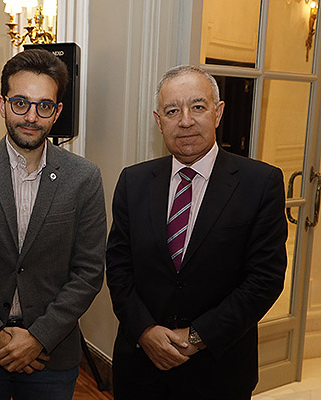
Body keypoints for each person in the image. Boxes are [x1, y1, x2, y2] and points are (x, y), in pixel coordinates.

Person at [0, 48, 107, 400]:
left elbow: (87, 272)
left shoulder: (84, 178)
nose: (31, 116)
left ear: (56, 113)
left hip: (50, 354)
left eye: (44, 106)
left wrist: (38, 337)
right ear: (2, 105)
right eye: (20, 103)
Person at [106, 64, 288, 400]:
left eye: (198, 107)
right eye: (172, 110)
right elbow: (118, 268)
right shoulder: (133, 182)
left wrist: (197, 337)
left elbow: (265, 278)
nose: (185, 120)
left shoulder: (260, 183)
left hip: (219, 369)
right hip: (141, 366)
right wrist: (145, 331)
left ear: (218, 113)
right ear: (159, 121)